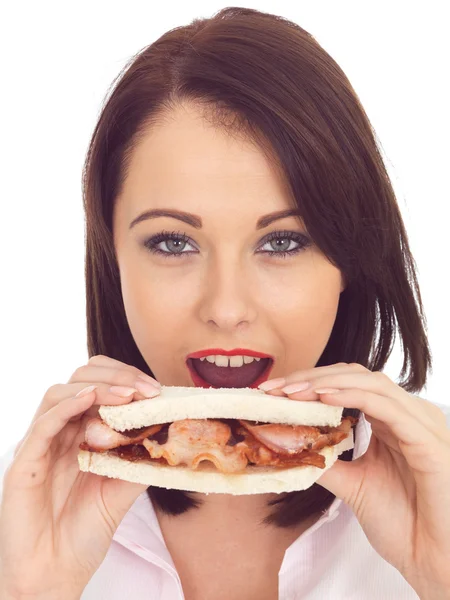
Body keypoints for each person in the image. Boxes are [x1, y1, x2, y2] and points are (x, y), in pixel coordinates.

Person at [1, 6, 449, 600]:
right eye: (172, 242)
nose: (228, 308)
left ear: (348, 258)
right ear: (113, 261)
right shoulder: (23, 524)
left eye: (283, 242)